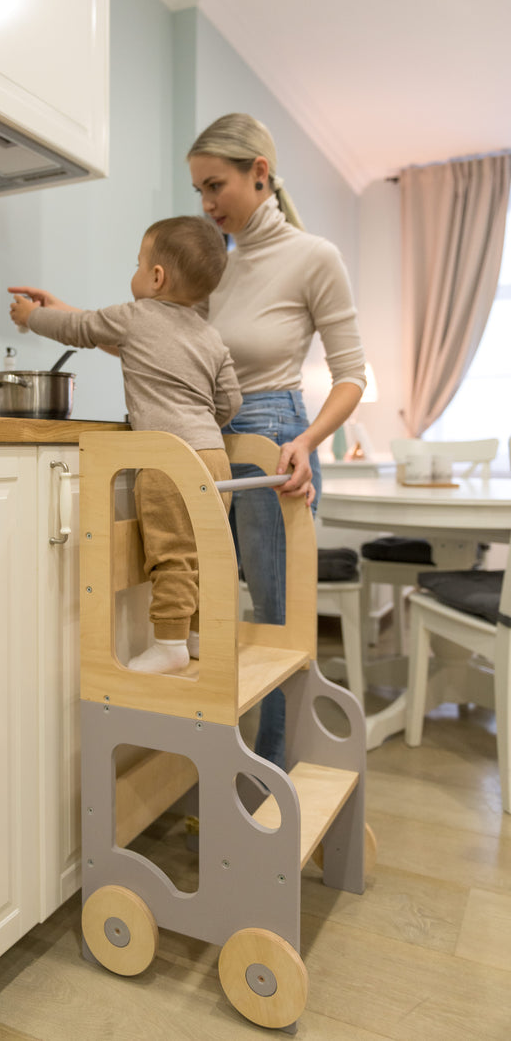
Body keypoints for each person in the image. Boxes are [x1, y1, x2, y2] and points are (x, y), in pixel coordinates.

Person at [187, 113, 367, 768]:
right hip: (211, 441)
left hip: (275, 440)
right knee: (213, 610)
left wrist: (308, 440)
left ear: (259, 173)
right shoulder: (216, 267)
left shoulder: (313, 257)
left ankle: (269, 777)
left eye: (216, 187)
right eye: (199, 193)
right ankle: (226, 763)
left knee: (273, 617)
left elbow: (352, 376)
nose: (207, 206)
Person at [8, 215, 242, 675]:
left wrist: (31, 316)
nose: (133, 272)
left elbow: (81, 330)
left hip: (168, 459)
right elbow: (230, 400)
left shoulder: (135, 316)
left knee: (172, 553)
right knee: (203, 552)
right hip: (214, 458)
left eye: (138, 263)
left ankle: (170, 643)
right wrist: (202, 425)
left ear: (156, 278)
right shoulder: (210, 336)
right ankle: (195, 636)